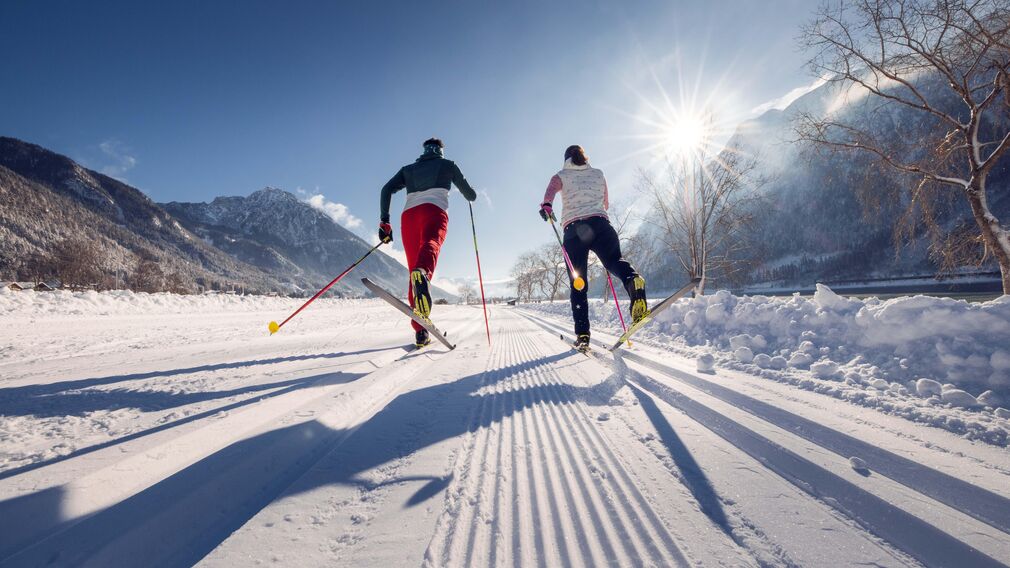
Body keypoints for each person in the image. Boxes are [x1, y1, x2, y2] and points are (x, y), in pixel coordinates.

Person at [539, 144, 647, 351]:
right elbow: (605, 203)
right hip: (601, 225)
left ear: (566, 159)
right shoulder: (599, 174)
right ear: (584, 157)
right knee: (614, 261)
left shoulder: (560, 175)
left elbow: (549, 194)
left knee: (578, 282)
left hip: (574, 230)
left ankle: (583, 335)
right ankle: (633, 280)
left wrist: (547, 207)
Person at [379, 137, 477, 347]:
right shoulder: (447, 165)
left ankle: (421, 332)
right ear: (440, 150)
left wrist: (385, 223)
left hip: (409, 217)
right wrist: (470, 195)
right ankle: (422, 272)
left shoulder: (408, 169)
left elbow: (386, 189)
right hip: (434, 210)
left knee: (413, 270)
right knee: (431, 244)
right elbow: (470, 194)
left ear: (424, 150)